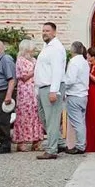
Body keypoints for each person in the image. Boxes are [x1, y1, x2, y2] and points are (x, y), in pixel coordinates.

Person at [35, 21, 68, 160]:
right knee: (44, 117)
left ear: (54, 32)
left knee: (52, 119)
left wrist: (54, 90)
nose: (45, 33)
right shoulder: (47, 47)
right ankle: (59, 142)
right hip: (43, 87)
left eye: (47, 31)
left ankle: (52, 149)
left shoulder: (56, 48)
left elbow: (57, 70)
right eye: (43, 30)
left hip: (51, 87)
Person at [12, 38, 42, 151]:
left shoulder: (34, 60)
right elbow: (23, 77)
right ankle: (21, 142)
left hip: (35, 89)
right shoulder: (20, 60)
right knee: (24, 115)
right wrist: (35, 70)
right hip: (25, 91)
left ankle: (36, 141)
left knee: (36, 115)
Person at [60, 42, 90, 153]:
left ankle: (80, 146)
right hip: (83, 94)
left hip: (74, 94)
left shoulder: (73, 62)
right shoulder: (84, 62)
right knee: (81, 121)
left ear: (72, 50)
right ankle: (81, 143)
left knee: (77, 123)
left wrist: (62, 85)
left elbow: (70, 80)